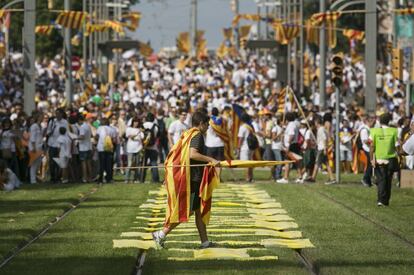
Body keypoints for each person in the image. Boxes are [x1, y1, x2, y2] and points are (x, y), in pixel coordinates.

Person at [152, 111, 220, 249]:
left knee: (199, 211)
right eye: (207, 124)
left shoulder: (189, 133)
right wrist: (211, 159)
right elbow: (192, 154)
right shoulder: (197, 135)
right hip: (192, 179)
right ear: (201, 123)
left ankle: (205, 242)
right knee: (186, 210)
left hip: (193, 178)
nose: (208, 127)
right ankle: (161, 233)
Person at [370, 113, 399, 207]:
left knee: (381, 180)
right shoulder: (394, 131)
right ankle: (386, 200)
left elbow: (371, 146)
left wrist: (371, 159)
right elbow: (397, 145)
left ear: (379, 121)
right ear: (389, 121)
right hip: (390, 159)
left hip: (379, 158)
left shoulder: (374, 131)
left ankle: (381, 200)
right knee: (388, 180)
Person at [277, 112, 303, 184]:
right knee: (289, 161)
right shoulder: (292, 124)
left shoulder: (291, 125)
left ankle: (288, 178)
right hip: (293, 145)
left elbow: (291, 135)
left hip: (291, 145)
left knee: (291, 161)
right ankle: (292, 177)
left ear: (287, 119)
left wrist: (288, 145)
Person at [310, 116, 335, 184]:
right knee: (326, 164)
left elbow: (324, 138)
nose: (314, 124)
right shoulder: (323, 129)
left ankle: (313, 177)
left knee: (317, 163)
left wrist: (324, 148)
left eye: (315, 122)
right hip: (322, 147)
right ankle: (332, 178)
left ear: (317, 122)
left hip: (321, 148)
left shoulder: (321, 129)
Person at [46, 108, 68, 183]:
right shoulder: (52, 121)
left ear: (62, 114)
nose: (57, 115)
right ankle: (52, 177)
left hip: (60, 144)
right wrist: (50, 131)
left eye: (59, 113)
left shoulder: (65, 122)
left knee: (59, 162)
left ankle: (58, 177)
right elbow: (48, 131)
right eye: (56, 113)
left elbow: (66, 133)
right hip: (52, 144)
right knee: (52, 162)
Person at [96, 117, 116, 183]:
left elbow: (96, 137)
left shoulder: (99, 128)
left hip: (101, 148)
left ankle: (100, 179)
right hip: (109, 148)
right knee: (109, 164)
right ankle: (109, 178)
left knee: (101, 165)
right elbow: (114, 139)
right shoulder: (112, 129)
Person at [141, 112, 160, 183]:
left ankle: (141, 179)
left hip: (144, 147)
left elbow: (141, 136)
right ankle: (155, 179)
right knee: (154, 163)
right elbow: (158, 136)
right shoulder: (156, 126)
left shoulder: (143, 125)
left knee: (143, 164)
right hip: (153, 147)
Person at [125, 117, 144, 183]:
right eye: (135, 122)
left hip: (138, 149)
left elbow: (142, 138)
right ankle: (127, 179)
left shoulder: (140, 130)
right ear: (132, 122)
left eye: (137, 122)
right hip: (130, 149)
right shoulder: (129, 129)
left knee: (137, 164)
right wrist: (138, 132)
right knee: (130, 164)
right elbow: (130, 137)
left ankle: (136, 179)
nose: (136, 123)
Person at [359, 115, 375, 187]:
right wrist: (373, 142)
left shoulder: (370, 129)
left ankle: (368, 181)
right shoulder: (364, 130)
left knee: (370, 165)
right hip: (367, 149)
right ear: (367, 121)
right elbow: (365, 141)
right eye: (372, 121)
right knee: (371, 164)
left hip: (370, 149)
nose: (373, 123)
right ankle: (365, 179)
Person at [28, 112, 44, 184]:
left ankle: (35, 178)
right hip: (34, 147)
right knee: (34, 163)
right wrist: (34, 147)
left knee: (38, 163)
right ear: (37, 117)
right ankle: (32, 180)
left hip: (39, 146)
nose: (42, 118)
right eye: (41, 116)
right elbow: (32, 137)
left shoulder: (40, 126)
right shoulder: (34, 126)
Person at [77, 114, 93, 183]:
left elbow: (82, 137)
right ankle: (90, 177)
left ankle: (85, 177)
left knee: (84, 163)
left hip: (83, 147)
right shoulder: (88, 126)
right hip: (89, 146)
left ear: (79, 120)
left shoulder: (82, 127)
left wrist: (75, 138)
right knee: (88, 163)